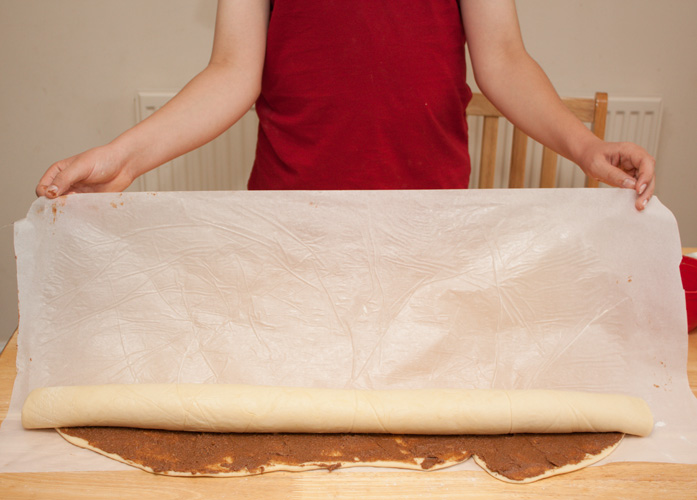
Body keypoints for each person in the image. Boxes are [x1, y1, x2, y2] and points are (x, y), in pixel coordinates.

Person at [35, 0, 655, 210]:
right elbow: (231, 73)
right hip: (290, 221)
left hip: (427, 223)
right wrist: (125, 158)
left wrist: (585, 145)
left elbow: (505, 62)